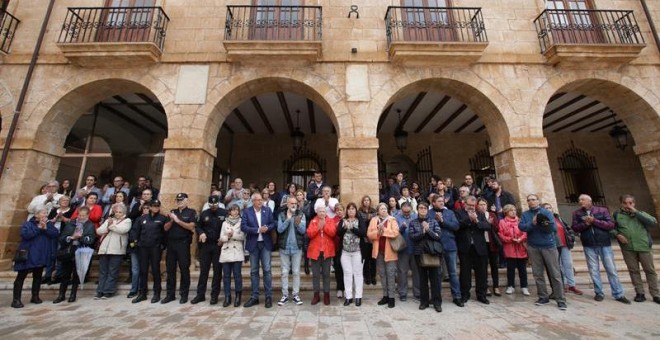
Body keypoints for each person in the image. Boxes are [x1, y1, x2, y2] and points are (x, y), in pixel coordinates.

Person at [571, 194, 630, 304]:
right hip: (589, 245)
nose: (580, 201)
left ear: (589, 200)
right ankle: (599, 292)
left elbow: (610, 225)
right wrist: (586, 224)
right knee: (593, 270)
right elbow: (574, 228)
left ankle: (618, 293)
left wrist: (595, 221)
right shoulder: (577, 213)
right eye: (579, 200)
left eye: (582, 199)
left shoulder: (602, 210)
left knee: (611, 269)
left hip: (604, 244)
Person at [520, 194, 567, 310]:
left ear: (538, 201)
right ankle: (543, 296)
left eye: (533, 199)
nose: (531, 202)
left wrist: (542, 224)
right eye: (529, 200)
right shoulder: (525, 214)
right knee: (537, 273)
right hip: (533, 246)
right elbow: (522, 227)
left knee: (555, 274)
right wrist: (533, 223)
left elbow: (553, 229)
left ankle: (560, 299)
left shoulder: (546, 212)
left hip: (548, 246)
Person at [612, 194, 659, 304]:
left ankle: (656, 294)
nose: (628, 205)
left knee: (650, 270)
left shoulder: (641, 214)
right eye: (625, 203)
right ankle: (640, 293)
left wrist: (636, 212)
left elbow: (653, 222)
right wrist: (617, 234)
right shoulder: (616, 214)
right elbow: (611, 228)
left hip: (643, 246)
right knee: (634, 271)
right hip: (628, 247)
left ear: (634, 203)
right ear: (621, 203)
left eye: (630, 203)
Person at [11, 209, 58, 308]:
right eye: (43, 213)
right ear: (36, 215)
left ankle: (35, 296)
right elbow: (26, 235)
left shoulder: (48, 224)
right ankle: (16, 299)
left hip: (41, 255)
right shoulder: (28, 224)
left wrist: (45, 228)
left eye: (46, 213)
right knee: (21, 277)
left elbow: (55, 234)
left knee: (38, 276)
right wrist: (39, 228)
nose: (46, 214)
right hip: (28, 255)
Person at [53, 206, 95, 303]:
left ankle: (73, 295)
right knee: (65, 274)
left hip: (81, 251)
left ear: (87, 215)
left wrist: (81, 238)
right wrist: (71, 237)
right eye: (79, 215)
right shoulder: (71, 223)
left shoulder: (90, 225)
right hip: (69, 250)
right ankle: (61, 295)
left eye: (83, 215)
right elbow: (62, 237)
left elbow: (91, 239)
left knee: (76, 274)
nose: (81, 217)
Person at [241, 192, 276, 308]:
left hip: (265, 244)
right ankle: (254, 297)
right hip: (253, 244)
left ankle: (268, 296)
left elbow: (273, 223)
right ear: (253, 201)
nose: (260, 201)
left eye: (261, 199)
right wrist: (257, 230)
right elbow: (243, 227)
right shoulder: (247, 211)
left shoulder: (267, 210)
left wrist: (267, 228)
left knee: (267, 270)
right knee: (254, 271)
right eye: (257, 200)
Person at [162, 193, 197, 304]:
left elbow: (191, 226)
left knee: (184, 269)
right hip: (171, 244)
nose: (179, 202)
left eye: (181, 200)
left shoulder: (191, 212)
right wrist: (172, 220)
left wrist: (177, 221)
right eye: (178, 200)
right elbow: (165, 228)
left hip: (183, 244)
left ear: (186, 200)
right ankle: (170, 294)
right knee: (170, 270)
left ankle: (184, 294)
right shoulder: (172, 212)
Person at [428, 194, 462, 307]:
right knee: (436, 274)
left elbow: (456, 226)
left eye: (442, 201)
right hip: (435, 246)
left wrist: (442, 221)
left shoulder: (450, 213)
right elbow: (429, 228)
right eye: (438, 201)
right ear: (433, 203)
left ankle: (457, 296)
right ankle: (436, 297)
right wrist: (437, 221)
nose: (442, 203)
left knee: (452, 272)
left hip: (450, 245)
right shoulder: (429, 214)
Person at [455, 196, 491, 304]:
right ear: (464, 203)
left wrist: (476, 221)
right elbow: (457, 226)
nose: (471, 207)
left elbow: (487, 226)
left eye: (473, 205)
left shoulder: (480, 213)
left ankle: (481, 294)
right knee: (465, 272)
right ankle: (465, 294)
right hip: (465, 247)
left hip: (479, 247)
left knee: (482, 272)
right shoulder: (458, 213)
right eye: (469, 205)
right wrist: (469, 220)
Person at [192, 195, 227, 305]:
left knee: (217, 271)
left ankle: (214, 295)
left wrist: (223, 238)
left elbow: (228, 226)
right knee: (204, 271)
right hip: (206, 245)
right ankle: (200, 294)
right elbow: (197, 226)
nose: (213, 207)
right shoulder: (204, 213)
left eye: (215, 205)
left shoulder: (224, 213)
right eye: (211, 205)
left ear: (218, 203)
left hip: (218, 245)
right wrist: (201, 233)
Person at [131, 199, 168, 304]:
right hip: (143, 247)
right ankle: (142, 293)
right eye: (154, 206)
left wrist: (162, 246)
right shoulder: (142, 218)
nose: (156, 207)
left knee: (156, 270)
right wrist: (136, 242)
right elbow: (135, 231)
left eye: (157, 206)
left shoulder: (163, 219)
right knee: (143, 270)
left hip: (155, 248)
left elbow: (165, 234)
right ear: (150, 207)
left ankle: (157, 293)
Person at [542, 202, 583, 295]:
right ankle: (563, 285)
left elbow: (567, 228)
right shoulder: (544, 220)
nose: (549, 209)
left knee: (568, 264)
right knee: (558, 265)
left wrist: (571, 238)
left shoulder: (558, 218)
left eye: (550, 207)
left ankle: (572, 285)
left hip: (565, 244)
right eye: (546, 208)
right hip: (554, 245)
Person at [410, 202, 443, 312]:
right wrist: (423, 232)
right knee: (422, 279)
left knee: (435, 279)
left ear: (427, 210)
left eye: (425, 208)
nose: (423, 210)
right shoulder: (413, 222)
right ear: (417, 209)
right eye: (420, 208)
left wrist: (428, 230)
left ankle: (437, 302)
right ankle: (424, 302)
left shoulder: (433, 221)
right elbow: (412, 237)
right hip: (419, 253)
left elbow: (438, 236)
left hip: (432, 253)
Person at [95, 203, 131, 299]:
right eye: (116, 212)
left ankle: (108, 291)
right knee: (103, 272)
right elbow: (99, 230)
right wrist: (109, 226)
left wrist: (110, 227)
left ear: (124, 212)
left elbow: (123, 230)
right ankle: (100, 291)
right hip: (104, 249)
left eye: (120, 212)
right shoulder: (109, 220)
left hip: (117, 250)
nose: (118, 214)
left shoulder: (127, 221)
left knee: (112, 271)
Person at [367, 202, 400, 308]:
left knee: (390, 274)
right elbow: (369, 234)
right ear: (378, 211)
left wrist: (384, 230)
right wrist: (378, 233)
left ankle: (391, 297)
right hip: (379, 252)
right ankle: (385, 295)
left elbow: (395, 233)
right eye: (381, 208)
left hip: (390, 251)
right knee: (382, 274)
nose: (384, 210)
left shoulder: (392, 219)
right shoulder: (373, 220)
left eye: (385, 208)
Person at [276, 196, 307, 306]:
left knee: (296, 272)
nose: (293, 205)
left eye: (295, 203)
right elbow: (279, 230)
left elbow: (303, 231)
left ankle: (295, 295)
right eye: (291, 203)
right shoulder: (282, 214)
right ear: (287, 204)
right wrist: (288, 220)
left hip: (296, 247)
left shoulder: (301, 214)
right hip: (284, 247)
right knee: (284, 272)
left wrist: (298, 224)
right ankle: (284, 295)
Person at [307, 205, 337, 305]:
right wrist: (318, 227)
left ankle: (326, 294)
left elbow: (333, 233)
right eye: (320, 211)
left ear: (326, 212)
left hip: (326, 251)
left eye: (323, 211)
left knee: (326, 274)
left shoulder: (330, 220)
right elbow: (309, 234)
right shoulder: (313, 221)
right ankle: (316, 295)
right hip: (315, 251)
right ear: (317, 212)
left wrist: (324, 225)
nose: (321, 213)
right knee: (315, 275)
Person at [498, 204, 529, 296]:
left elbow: (525, 232)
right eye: (511, 210)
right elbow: (501, 234)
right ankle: (510, 286)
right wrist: (510, 239)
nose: (514, 212)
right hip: (509, 248)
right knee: (510, 269)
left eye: (515, 210)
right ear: (506, 212)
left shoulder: (520, 221)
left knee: (522, 269)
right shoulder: (502, 222)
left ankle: (524, 286)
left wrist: (520, 239)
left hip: (521, 248)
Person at [339, 202, 366, 306]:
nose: (351, 211)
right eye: (349, 209)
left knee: (358, 274)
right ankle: (348, 297)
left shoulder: (360, 221)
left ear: (356, 211)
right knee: (347, 273)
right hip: (345, 252)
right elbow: (338, 233)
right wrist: (345, 227)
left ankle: (358, 296)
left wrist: (352, 228)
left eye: (353, 209)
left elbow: (363, 233)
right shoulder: (343, 220)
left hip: (358, 252)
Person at [219, 204, 246, 307]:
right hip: (226, 250)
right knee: (226, 276)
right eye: (233, 210)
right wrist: (227, 236)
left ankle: (238, 296)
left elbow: (243, 236)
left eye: (237, 210)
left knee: (237, 275)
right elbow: (221, 238)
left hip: (237, 251)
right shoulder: (224, 223)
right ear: (229, 212)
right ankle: (227, 296)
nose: (235, 212)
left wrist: (233, 235)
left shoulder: (241, 222)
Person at [44, 195, 74, 285]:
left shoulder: (71, 211)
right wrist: (54, 219)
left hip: (64, 236)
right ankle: (48, 275)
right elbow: (48, 221)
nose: (65, 202)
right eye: (63, 200)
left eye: (67, 200)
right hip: (53, 235)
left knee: (60, 255)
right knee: (51, 255)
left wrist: (63, 218)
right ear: (59, 202)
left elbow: (73, 222)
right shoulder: (54, 210)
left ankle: (58, 275)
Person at [395, 201, 419, 302]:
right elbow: (395, 232)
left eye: (408, 212)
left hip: (415, 248)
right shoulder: (396, 218)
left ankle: (417, 293)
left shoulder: (416, 217)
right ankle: (402, 293)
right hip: (403, 249)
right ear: (401, 210)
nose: (406, 214)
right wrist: (402, 228)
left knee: (417, 272)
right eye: (404, 212)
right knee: (402, 272)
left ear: (411, 210)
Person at [478, 197, 502, 297]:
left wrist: (490, 224)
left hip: (492, 243)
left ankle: (496, 286)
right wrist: (486, 223)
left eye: (484, 204)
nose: (483, 206)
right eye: (480, 205)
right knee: (483, 266)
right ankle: (485, 286)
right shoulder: (477, 215)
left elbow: (497, 228)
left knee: (494, 266)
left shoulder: (492, 214)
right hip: (482, 244)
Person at [358, 195, 377, 286]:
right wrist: (367, 219)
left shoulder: (374, 211)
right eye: (364, 200)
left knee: (373, 259)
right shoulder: (359, 211)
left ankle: (373, 277)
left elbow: (375, 222)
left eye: (368, 200)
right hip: (364, 238)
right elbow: (360, 223)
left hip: (373, 238)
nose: (366, 202)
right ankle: (367, 277)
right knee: (365, 259)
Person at [332, 204, 345, 299]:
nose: (339, 212)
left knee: (347, 270)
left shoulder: (347, 219)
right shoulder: (333, 221)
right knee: (338, 269)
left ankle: (346, 289)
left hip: (347, 248)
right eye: (337, 210)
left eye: (341, 210)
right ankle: (340, 288)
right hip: (336, 248)